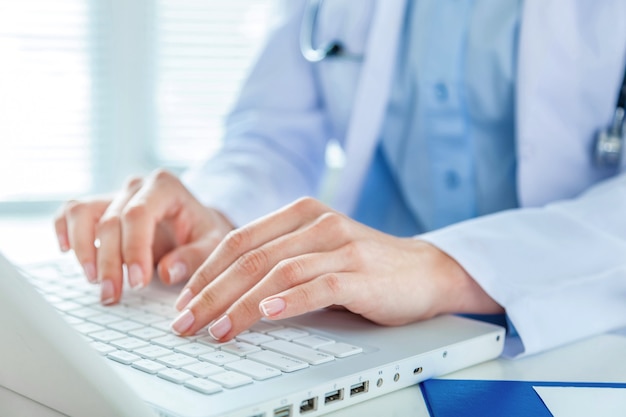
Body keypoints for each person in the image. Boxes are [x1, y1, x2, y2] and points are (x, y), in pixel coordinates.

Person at [54, 0, 626, 358]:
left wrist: (442, 266)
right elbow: (273, 130)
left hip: (577, 336)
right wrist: (216, 217)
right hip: (358, 329)